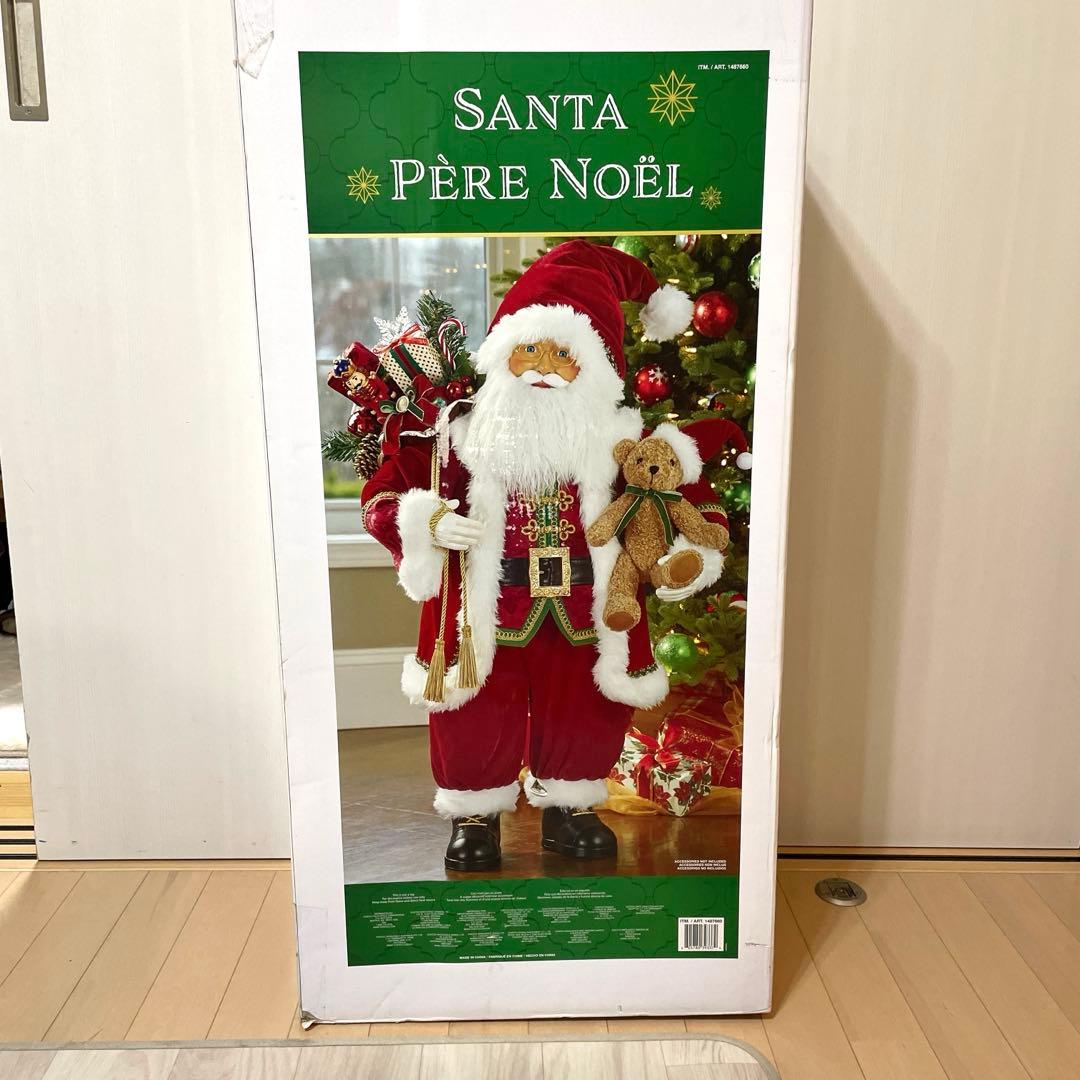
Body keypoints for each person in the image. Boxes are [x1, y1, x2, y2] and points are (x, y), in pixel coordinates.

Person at [362, 241, 729, 871]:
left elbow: (688, 492)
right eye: (529, 349)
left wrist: (691, 550)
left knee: (584, 705)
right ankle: (474, 815)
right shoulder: (457, 434)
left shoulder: (623, 440)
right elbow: (383, 495)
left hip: (586, 605)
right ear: (501, 353)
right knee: (475, 707)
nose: (544, 369)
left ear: (599, 368)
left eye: (565, 355)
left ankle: (570, 809)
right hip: (484, 607)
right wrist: (426, 521)